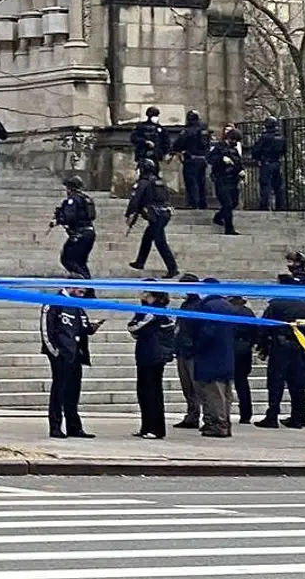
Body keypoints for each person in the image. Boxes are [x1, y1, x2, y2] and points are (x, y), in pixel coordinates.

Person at [256, 274, 305, 429]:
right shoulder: (304, 305)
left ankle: (272, 416)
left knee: (275, 383)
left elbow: (265, 326)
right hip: (300, 347)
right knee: (296, 383)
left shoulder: (276, 304)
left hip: (280, 346)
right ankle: (298, 417)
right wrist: (303, 337)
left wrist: (262, 346)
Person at [40, 277, 103, 439]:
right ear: (70, 286)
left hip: (76, 354)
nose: (83, 291)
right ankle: (55, 426)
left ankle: (74, 427)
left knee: (73, 392)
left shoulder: (77, 305)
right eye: (80, 288)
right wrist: (54, 351)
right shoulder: (54, 302)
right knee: (59, 392)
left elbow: (83, 326)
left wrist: (92, 327)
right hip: (61, 354)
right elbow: (46, 328)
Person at [191, 278, 240, 438]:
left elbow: (207, 332)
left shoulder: (207, 306)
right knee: (226, 393)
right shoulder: (228, 306)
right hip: (227, 355)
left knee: (213, 393)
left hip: (211, 357)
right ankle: (225, 422)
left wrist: (197, 346)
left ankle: (218, 425)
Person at [128, 282, 176, 439]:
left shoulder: (154, 312)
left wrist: (136, 327)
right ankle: (146, 426)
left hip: (152, 355)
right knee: (144, 391)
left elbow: (134, 328)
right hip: (147, 354)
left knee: (152, 392)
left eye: (145, 291)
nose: (142, 294)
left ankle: (155, 428)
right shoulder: (151, 311)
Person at [126, 157, 179, 278]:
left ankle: (172, 268)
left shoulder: (143, 182)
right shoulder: (158, 181)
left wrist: (129, 214)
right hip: (163, 213)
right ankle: (140, 262)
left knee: (160, 242)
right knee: (147, 237)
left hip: (155, 215)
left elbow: (135, 200)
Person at [172, 274, 204, 430]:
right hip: (182, 349)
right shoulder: (185, 305)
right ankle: (191, 414)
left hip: (192, 351)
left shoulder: (198, 305)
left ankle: (197, 414)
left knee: (195, 386)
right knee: (187, 386)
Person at [52, 176, 97, 279]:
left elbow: (70, 217)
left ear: (69, 188)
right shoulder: (86, 198)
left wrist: (58, 219)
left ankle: (83, 283)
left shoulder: (73, 200)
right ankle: (88, 290)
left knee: (67, 259)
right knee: (80, 262)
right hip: (89, 232)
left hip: (80, 234)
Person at [207, 128, 243, 236]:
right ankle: (229, 228)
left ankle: (218, 217)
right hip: (221, 179)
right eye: (233, 140)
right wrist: (221, 159)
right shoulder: (218, 147)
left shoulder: (234, 150)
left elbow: (238, 162)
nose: (235, 143)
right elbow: (210, 159)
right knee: (227, 203)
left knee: (234, 202)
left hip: (233, 180)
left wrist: (241, 170)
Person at [173, 109, 211, 209]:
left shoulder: (187, 131)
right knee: (201, 181)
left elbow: (178, 143)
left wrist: (175, 150)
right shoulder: (204, 130)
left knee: (191, 181)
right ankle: (203, 203)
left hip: (191, 159)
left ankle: (193, 203)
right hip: (202, 160)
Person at [230, 294, 258, 424]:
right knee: (242, 383)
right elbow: (255, 331)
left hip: (231, 348)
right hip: (245, 348)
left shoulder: (229, 311)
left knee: (226, 382)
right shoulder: (248, 312)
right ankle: (246, 414)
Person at [253, 116, 287, 211]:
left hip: (266, 162)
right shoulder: (281, 137)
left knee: (265, 185)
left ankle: (264, 206)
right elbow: (284, 150)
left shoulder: (264, 137)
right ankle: (280, 206)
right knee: (278, 186)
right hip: (277, 162)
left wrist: (258, 158)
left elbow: (256, 150)